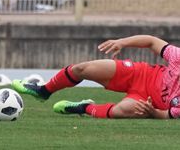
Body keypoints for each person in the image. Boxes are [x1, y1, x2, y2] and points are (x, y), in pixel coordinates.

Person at [12, 35, 180, 119]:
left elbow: (168, 116)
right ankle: (44, 90)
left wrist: (153, 113)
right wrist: (122, 42)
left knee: (124, 110)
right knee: (82, 68)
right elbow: (151, 41)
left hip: (147, 101)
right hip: (140, 74)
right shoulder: (177, 56)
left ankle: (84, 108)